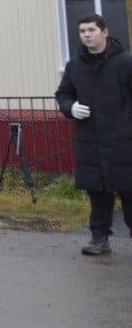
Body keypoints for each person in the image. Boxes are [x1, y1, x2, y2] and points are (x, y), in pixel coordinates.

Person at [56, 13, 132, 256]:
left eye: (91, 30)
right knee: (97, 194)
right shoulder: (75, 66)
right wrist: (71, 108)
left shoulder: (126, 62)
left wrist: (125, 120)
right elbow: (63, 94)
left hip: (123, 142)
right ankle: (99, 239)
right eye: (82, 31)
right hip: (91, 140)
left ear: (104, 32)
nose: (87, 35)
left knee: (129, 192)